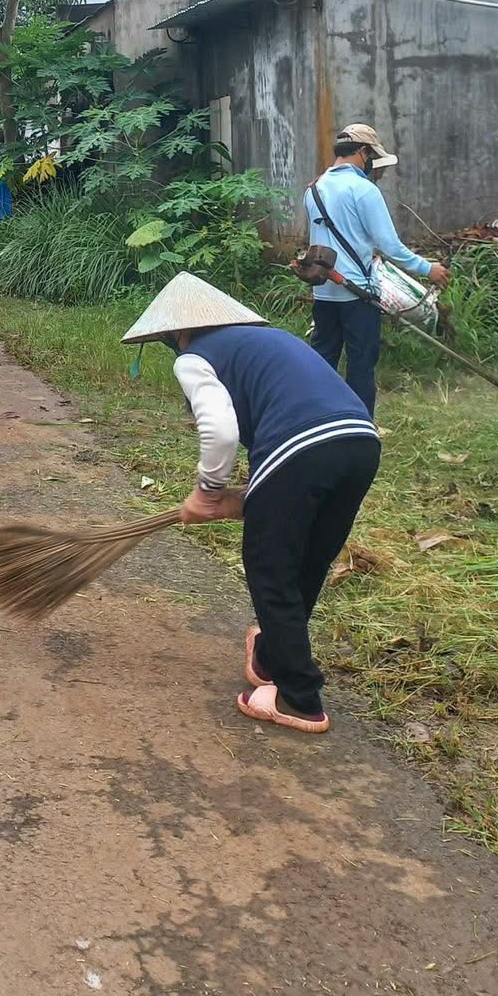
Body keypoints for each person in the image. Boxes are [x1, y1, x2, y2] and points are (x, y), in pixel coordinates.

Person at [123, 270, 382, 733]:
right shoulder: (269, 342)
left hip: (300, 447)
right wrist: (236, 500)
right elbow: (288, 486)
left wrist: (206, 491)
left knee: (271, 567)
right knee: (305, 561)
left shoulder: (194, 357)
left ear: (176, 332)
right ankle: (267, 659)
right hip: (360, 443)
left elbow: (220, 429)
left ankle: (299, 699)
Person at [304, 122, 449, 416]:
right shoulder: (363, 190)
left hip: (324, 292)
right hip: (358, 294)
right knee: (360, 366)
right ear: (363, 152)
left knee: (321, 362)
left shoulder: (314, 189)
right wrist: (427, 269)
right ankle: (359, 425)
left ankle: (316, 421)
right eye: (371, 157)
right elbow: (390, 246)